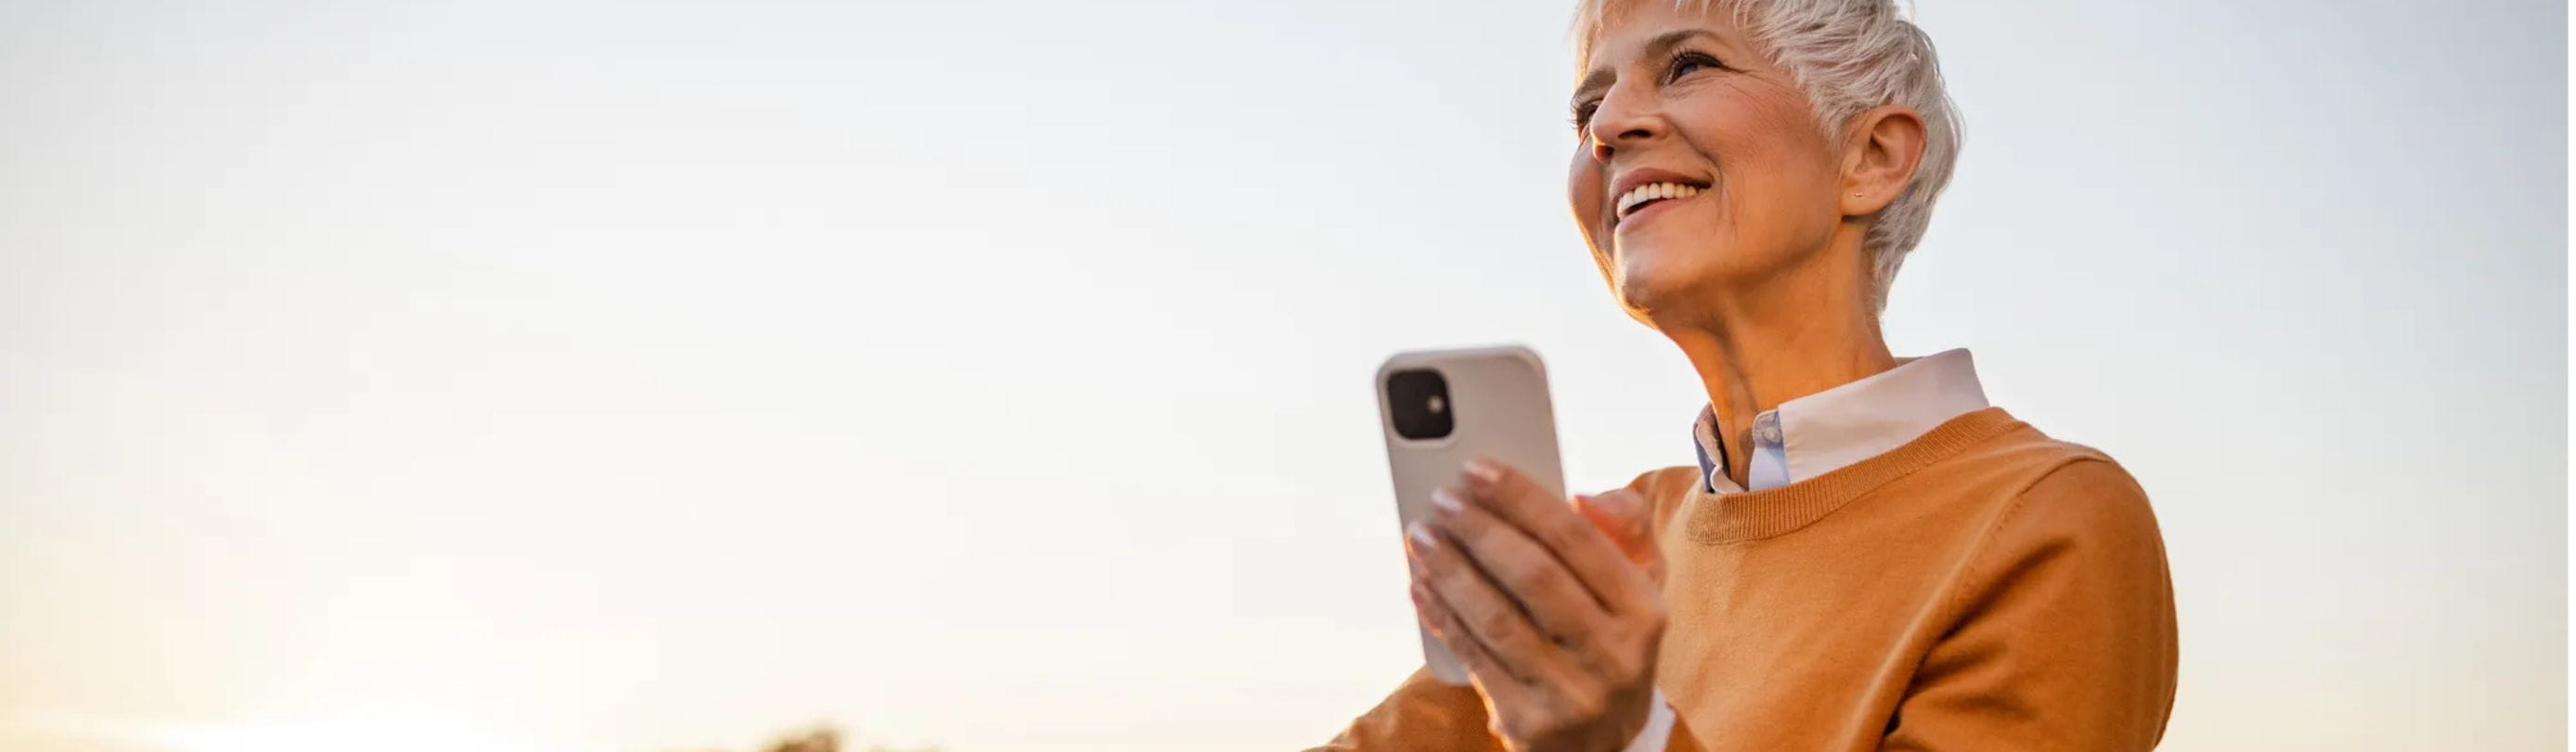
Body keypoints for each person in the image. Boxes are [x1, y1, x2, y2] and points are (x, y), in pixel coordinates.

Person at [1314, 1, 2179, 750]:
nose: (1609, 126)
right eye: (1587, 108)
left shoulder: (2048, 517)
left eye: (1687, 65)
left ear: (1871, 155)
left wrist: (1621, 741)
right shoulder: (1615, 550)